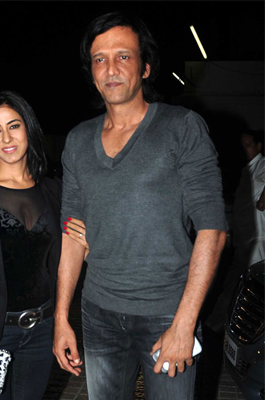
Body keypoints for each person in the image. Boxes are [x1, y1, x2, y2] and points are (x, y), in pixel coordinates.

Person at [52, 11, 227, 400]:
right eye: (100, 59)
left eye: (123, 56)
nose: (111, 68)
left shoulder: (182, 127)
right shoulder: (78, 141)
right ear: (91, 72)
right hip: (98, 314)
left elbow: (212, 230)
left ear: (145, 67)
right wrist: (61, 318)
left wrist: (185, 323)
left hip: (167, 313)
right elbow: (72, 235)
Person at [0, 91, 83, 400]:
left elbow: (65, 258)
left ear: (28, 129)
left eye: (14, 126)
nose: (6, 137)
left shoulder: (54, 191)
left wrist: (84, 241)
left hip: (42, 329)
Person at [233, 130, 265, 267]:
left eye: (248, 145)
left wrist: (262, 201)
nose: (245, 150)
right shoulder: (247, 169)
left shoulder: (262, 164)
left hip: (259, 232)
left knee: (257, 270)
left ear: (258, 146)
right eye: (242, 146)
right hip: (246, 232)